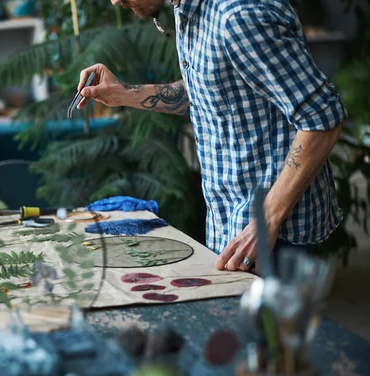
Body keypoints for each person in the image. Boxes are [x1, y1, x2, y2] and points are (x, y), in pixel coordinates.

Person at [76, 0, 347, 273]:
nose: (113, 1)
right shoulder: (189, 8)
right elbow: (212, 89)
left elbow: (322, 117)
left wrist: (267, 220)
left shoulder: (238, 15)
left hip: (273, 236)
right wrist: (125, 94)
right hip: (231, 226)